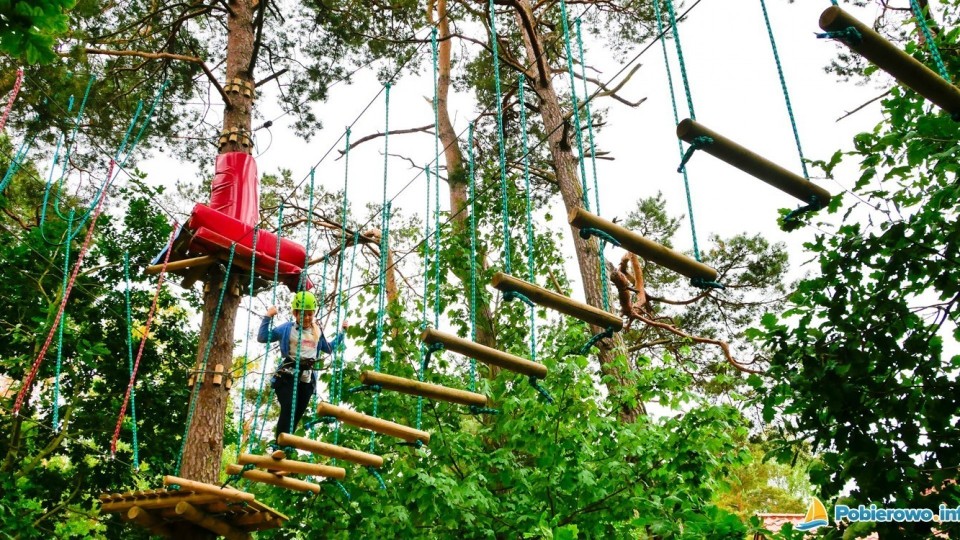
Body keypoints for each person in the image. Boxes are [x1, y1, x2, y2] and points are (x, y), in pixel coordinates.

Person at [257, 291, 346, 439]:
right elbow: (263, 337)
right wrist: (268, 316)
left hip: (307, 379)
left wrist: (342, 333)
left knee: (297, 413)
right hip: (287, 375)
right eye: (303, 314)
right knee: (288, 408)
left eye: (310, 314)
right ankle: (279, 444)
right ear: (295, 313)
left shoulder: (317, 331)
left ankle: (286, 444)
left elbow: (328, 348)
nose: (307, 318)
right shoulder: (287, 328)